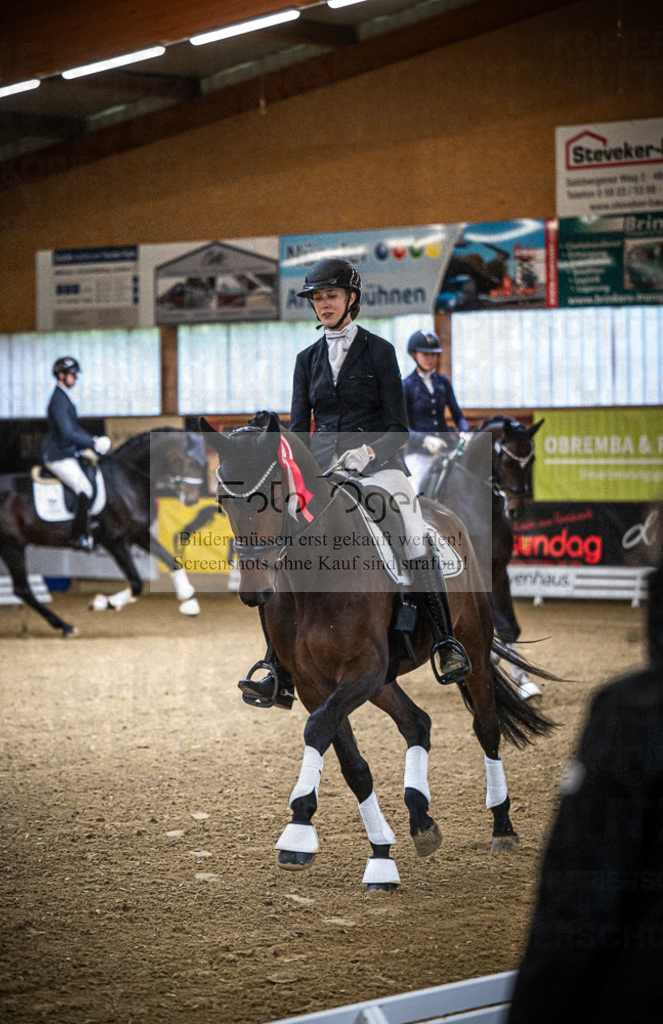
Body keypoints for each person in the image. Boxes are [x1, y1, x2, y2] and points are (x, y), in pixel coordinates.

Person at [240, 258, 471, 709]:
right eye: (317, 298)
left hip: (379, 467)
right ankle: (276, 663)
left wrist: (367, 452)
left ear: (351, 300)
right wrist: (272, 431)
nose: (323, 304)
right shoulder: (305, 360)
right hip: (323, 473)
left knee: (410, 528)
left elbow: (399, 428)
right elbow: (299, 428)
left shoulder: (380, 352)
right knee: (280, 539)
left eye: (330, 296)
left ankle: (444, 641)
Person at [506, 564, 663, 1024]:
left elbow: (580, 893)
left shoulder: (635, 710)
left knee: (417, 539)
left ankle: (443, 637)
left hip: (636, 994)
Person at [41, 356, 111, 550]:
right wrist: (93, 443)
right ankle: (78, 535)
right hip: (58, 456)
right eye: (72, 375)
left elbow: (75, 429)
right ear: (61, 375)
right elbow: (67, 432)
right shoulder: (58, 400)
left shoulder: (64, 398)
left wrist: (93, 441)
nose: (75, 378)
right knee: (85, 489)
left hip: (68, 453)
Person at [402, 329, 468, 493]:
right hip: (419, 454)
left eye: (433, 354)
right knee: (415, 494)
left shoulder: (442, 382)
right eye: (425, 354)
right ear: (414, 354)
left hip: (447, 448)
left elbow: (457, 415)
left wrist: (465, 432)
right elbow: (402, 427)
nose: (430, 359)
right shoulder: (407, 385)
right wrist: (424, 439)